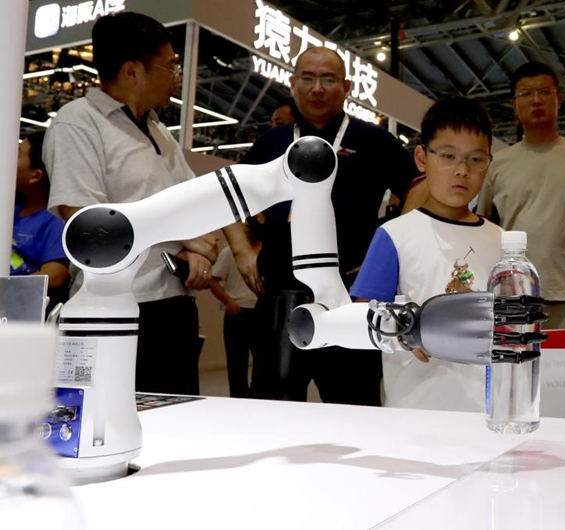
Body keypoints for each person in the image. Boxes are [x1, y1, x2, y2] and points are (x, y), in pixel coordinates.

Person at [225, 46, 417, 405]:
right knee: (272, 407)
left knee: (355, 405)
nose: (317, 88)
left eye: (328, 79)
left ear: (346, 86)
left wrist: (389, 253)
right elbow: (228, 197)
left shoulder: (373, 140)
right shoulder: (273, 141)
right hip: (280, 296)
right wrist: (241, 252)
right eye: (308, 78)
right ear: (293, 83)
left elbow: (418, 192)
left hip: (350, 296)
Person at [45, 12, 219, 396]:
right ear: (132, 71)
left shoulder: (158, 129)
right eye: (170, 64)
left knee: (178, 420)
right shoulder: (78, 122)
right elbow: (87, 221)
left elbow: (193, 199)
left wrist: (199, 251)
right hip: (116, 307)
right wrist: (187, 240)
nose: (176, 74)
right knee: (110, 424)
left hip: (173, 304)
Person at [350, 97, 502, 412]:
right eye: (448, 156)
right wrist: (404, 331)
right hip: (415, 404)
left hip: (488, 407)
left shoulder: (501, 240)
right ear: (422, 157)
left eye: (476, 159)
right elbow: (362, 318)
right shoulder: (394, 235)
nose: (462, 171)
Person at [476, 62, 565, 329]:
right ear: (514, 106)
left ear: (559, 100)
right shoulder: (497, 164)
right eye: (526, 94)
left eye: (544, 92)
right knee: (515, 370)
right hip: (513, 295)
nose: (536, 100)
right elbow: (482, 226)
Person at [12, 131, 70, 312]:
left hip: (20, 311)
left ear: (35, 176)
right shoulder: (11, 211)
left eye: (18, 154)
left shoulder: (55, 221)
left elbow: (54, 277)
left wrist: (7, 288)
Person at [208, 236, 261, 398]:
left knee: (263, 362)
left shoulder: (268, 250)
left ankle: (259, 399)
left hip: (262, 311)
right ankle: (239, 401)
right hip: (237, 312)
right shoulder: (229, 252)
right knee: (237, 363)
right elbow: (212, 279)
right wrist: (227, 301)